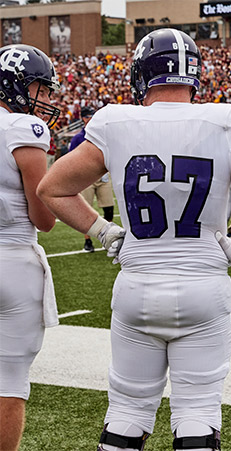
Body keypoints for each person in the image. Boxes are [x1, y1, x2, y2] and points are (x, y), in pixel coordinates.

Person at [37, 29, 231, 451]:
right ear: (193, 74)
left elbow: (52, 188)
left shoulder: (114, 121)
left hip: (138, 284)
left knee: (127, 410)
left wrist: (104, 231)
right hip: (204, 287)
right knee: (197, 411)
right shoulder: (224, 119)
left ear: (142, 74)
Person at [0, 43, 59, 451]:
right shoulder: (24, 128)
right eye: (40, 86)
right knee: (9, 380)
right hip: (13, 260)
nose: (46, 98)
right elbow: (45, 217)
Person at [69, 105, 115, 252]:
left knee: (109, 207)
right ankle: (87, 241)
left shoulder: (103, 134)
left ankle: (109, 237)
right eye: (88, 116)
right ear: (83, 118)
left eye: (92, 116)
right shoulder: (78, 138)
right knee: (86, 208)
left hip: (103, 175)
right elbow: (71, 158)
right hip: (85, 177)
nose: (91, 119)